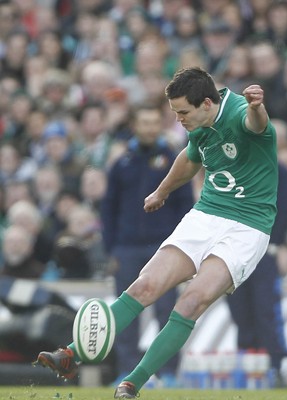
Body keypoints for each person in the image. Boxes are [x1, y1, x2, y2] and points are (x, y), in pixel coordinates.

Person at [34, 67, 278, 398]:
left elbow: (258, 126)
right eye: (175, 112)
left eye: (182, 112)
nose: (178, 120)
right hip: (208, 213)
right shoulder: (200, 123)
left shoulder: (240, 114)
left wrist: (257, 107)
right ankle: (71, 356)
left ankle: (133, 381)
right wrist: (161, 191)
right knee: (145, 285)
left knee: (191, 301)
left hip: (248, 226)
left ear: (207, 103)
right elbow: (191, 159)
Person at [101, 104, 194, 386]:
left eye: (155, 123)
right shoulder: (122, 163)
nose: (150, 128)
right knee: (127, 315)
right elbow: (109, 210)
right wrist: (110, 251)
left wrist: (184, 249)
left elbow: (185, 206)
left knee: (167, 312)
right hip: (126, 249)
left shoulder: (173, 159)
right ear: (135, 125)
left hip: (163, 246)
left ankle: (166, 374)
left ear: (160, 126)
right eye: (145, 122)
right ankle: (126, 371)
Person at [226, 162, 287, 388]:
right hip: (234, 251)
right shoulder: (233, 168)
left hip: (264, 251)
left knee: (266, 310)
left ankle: (274, 367)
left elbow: (282, 209)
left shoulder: (280, 171)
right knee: (239, 310)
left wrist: (275, 243)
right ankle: (247, 366)